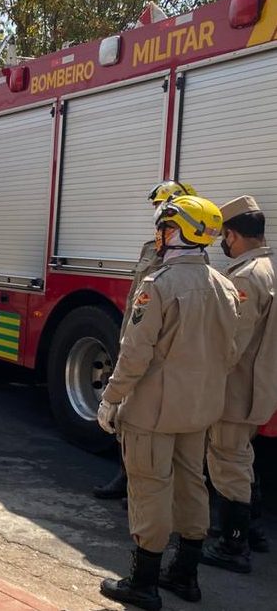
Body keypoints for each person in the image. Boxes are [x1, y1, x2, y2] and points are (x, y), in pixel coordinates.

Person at [96, 195, 240, 610]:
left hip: (152, 413)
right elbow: (229, 353)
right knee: (193, 485)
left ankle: (143, 582)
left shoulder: (159, 285)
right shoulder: (225, 286)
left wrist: (111, 399)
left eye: (164, 228)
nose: (158, 236)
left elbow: (135, 354)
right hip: (199, 411)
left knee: (150, 490)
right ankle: (185, 574)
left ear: (178, 233)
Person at [94, 180, 199, 502]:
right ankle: (125, 477)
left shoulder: (184, 256)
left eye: (162, 208)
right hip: (134, 339)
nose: (157, 215)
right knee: (127, 420)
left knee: (152, 429)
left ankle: (145, 490)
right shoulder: (150, 248)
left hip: (158, 355)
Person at [202, 195, 277, 575]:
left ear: (233, 234)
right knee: (241, 458)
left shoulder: (246, 276)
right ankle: (250, 531)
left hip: (236, 389)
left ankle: (233, 546)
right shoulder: (267, 268)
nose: (223, 245)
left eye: (224, 237)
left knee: (227, 460)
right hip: (255, 387)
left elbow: (233, 342)